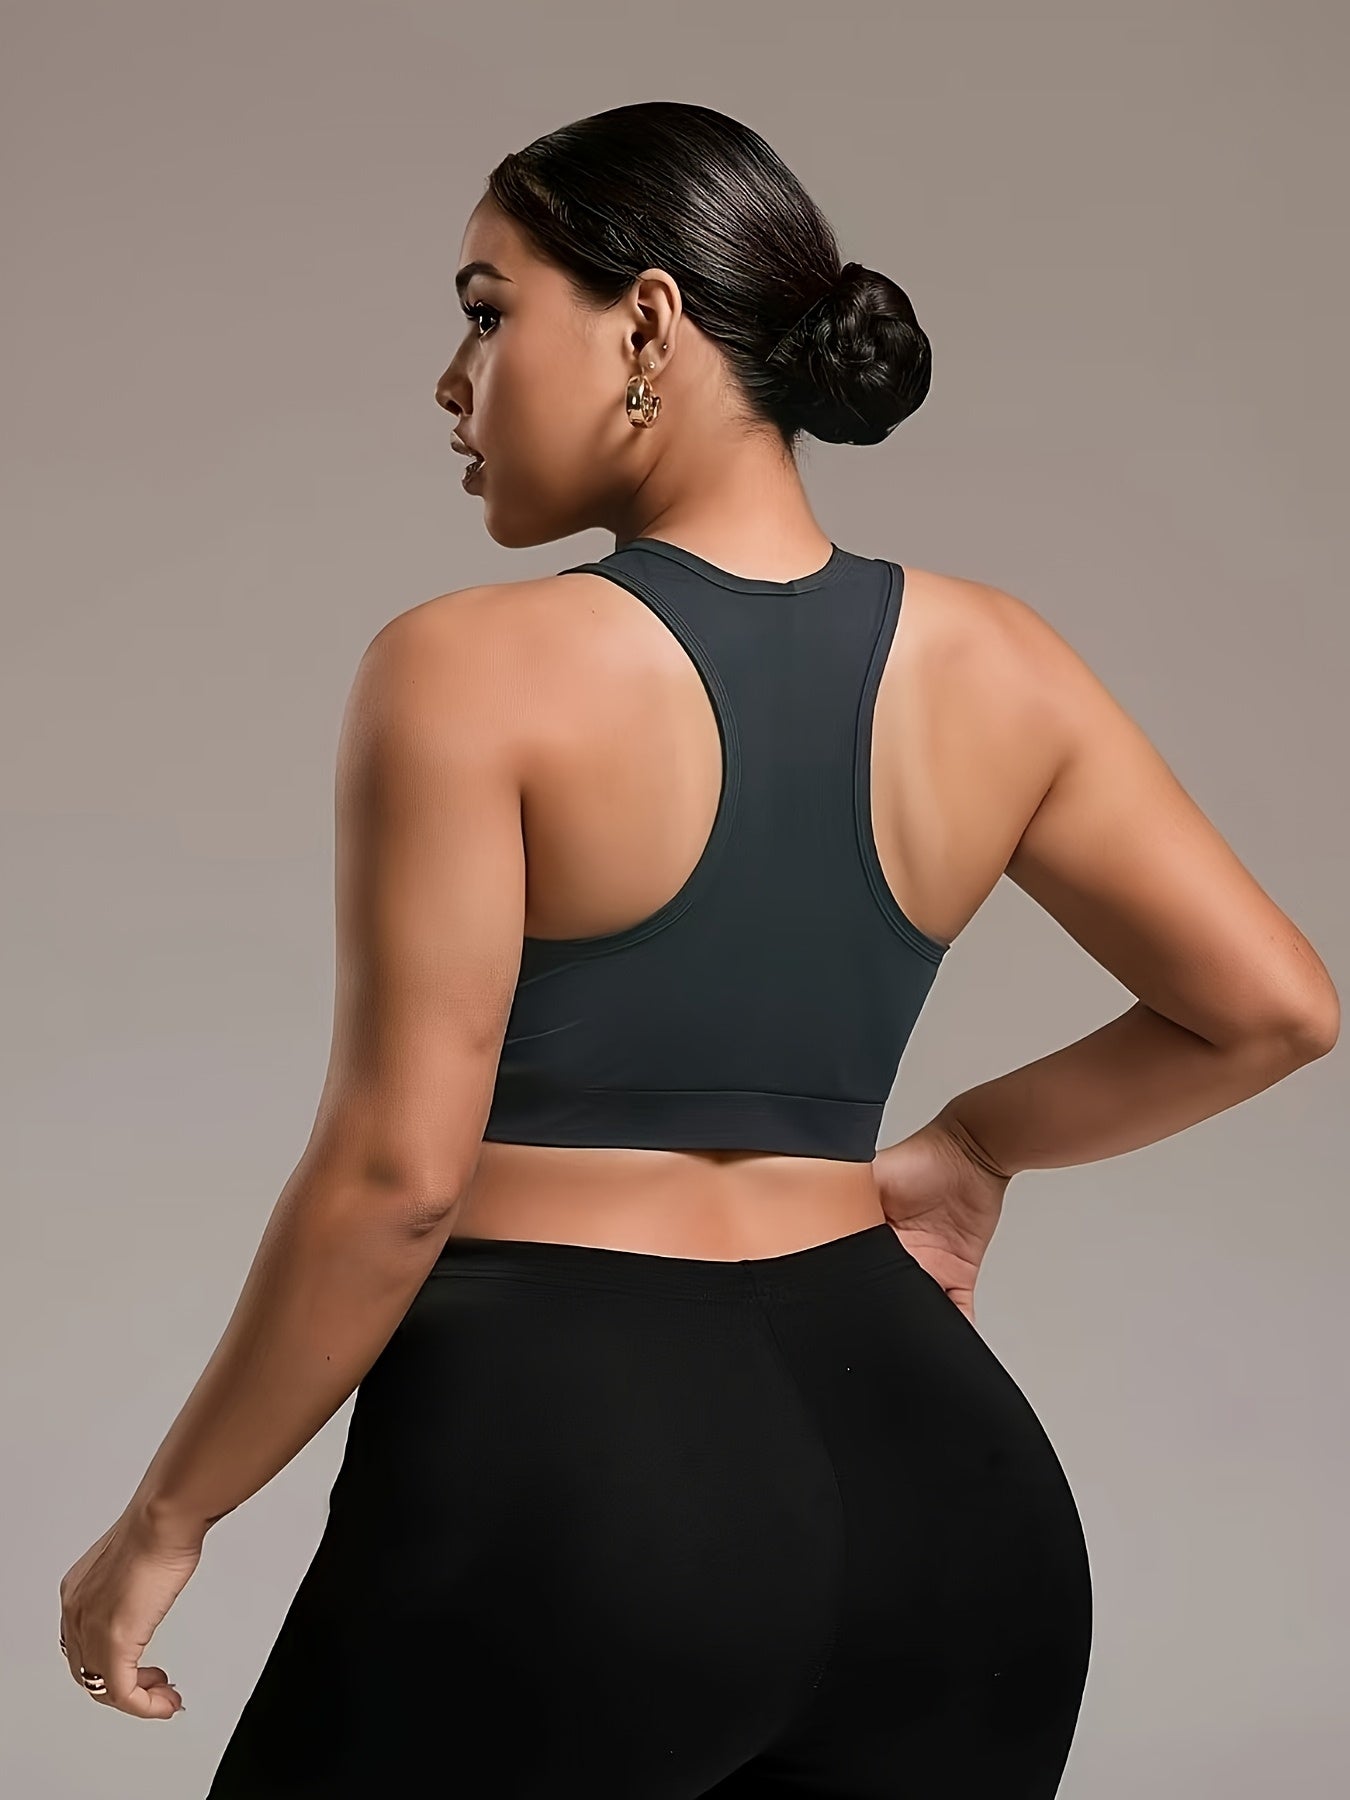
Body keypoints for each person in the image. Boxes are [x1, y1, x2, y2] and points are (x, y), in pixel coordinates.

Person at [58, 101, 1338, 1798]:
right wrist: (975, 1146)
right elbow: (1269, 1010)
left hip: (572, 1494)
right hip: (950, 1508)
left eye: (489, 311)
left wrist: (170, 1515)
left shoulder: (466, 668)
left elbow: (396, 1183)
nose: (451, 379)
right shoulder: (1002, 661)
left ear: (647, 323)